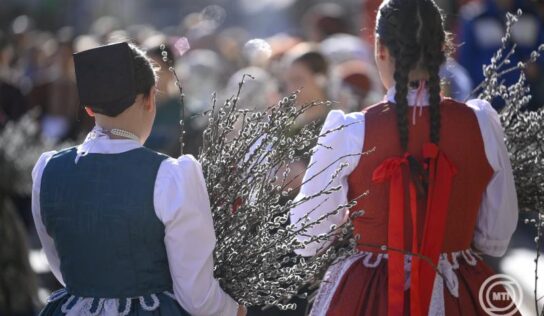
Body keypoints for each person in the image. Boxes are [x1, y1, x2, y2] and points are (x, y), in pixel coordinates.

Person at [290, 0, 520, 315]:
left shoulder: (350, 130)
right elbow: (496, 238)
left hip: (368, 293)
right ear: (442, 48)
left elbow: (306, 237)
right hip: (461, 290)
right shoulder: (481, 123)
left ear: (380, 48)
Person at [31, 42, 246, 316]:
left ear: (89, 109)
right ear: (150, 98)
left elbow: (60, 264)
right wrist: (232, 309)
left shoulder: (47, 169)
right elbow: (196, 295)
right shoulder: (170, 175)